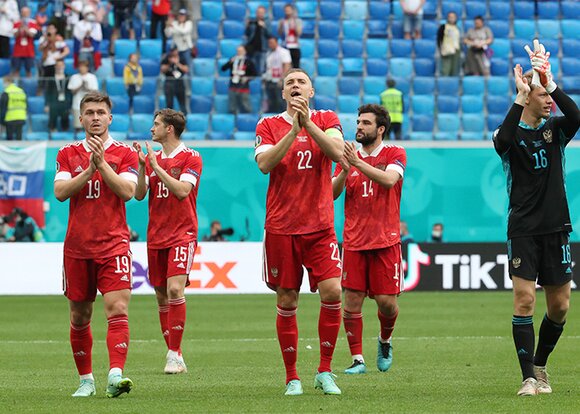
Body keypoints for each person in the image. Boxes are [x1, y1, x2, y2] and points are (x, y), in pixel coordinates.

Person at [492, 44, 580, 396]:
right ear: (527, 97)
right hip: (524, 229)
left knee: (560, 306)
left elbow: (576, 116)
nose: (549, 102)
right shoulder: (507, 133)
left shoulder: (555, 129)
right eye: (543, 95)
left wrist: (549, 80)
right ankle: (528, 377)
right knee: (525, 299)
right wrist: (520, 94)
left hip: (557, 227)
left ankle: (540, 364)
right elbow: (504, 140)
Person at [255, 68, 345, 396]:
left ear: (311, 91)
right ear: (283, 93)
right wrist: (294, 130)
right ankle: (292, 377)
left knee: (333, 292)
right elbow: (265, 164)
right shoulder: (268, 124)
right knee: (287, 298)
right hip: (282, 227)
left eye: (301, 82)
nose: (295, 86)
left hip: (320, 226)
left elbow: (337, 153)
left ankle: (324, 370)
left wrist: (308, 124)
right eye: (289, 83)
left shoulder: (327, 119)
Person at [54, 91, 139, 398]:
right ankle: (86, 380)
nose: (95, 118)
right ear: (81, 118)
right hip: (77, 248)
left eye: (101, 113)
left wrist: (102, 166)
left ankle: (115, 375)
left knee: (118, 308)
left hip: (113, 245)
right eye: (89, 113)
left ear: (110, 118)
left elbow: (127, 192)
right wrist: (89, 170)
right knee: (80, 316)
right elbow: (60, 192)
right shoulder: (67, 153)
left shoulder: (125, 153)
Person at [332, 104, 406, 376]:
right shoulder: (347, 157)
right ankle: (357, 359)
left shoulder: (394, 153)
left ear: (380, 129)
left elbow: (388, 180)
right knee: (351, 301)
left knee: (387, 303)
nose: (359, 127)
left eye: (366, 123)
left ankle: (385, 340)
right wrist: (343, 170)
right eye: (358, 122)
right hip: (354, 242)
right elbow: (330, 194)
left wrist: (356, 163)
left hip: (385, 241)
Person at [133, 108, 202, 375]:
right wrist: (143, 166)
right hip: (156, 235)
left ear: (169, 129)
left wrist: (157, 166)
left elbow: (182, 191)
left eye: (156, 124)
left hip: (182, 234)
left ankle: (173, 354)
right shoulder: (153, 159)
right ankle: (176, 354)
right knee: (161, 295)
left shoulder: (191, 157)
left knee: (175, 290)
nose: (152, 129)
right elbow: (139, 195)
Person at [221, 45, 256, 115]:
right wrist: (230, 62)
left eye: (241, 51)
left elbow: (254, 74)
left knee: (245, 106)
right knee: (232, 106)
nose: (239, 53)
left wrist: (247, 79)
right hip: (233, 86)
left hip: (243, 87)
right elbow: (223, 68)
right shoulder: (233, 60)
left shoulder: (248, 61)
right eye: (238, 51)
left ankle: (247, 119)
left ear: (245, 52)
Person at [68, 59, 99, 135]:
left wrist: (87, 88)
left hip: (90, 105)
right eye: (80, 67)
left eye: (84, 67)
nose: (82, 68)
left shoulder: (92, 77)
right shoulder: (74, 77)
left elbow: (95, 92)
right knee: (78, 126)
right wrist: (80, 86)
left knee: (90, 126)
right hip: (77, 104)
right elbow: (72, 92)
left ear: (87, 68)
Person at [263, 37, 292, 114]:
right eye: (269, 43)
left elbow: (287, 65)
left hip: (279, 80)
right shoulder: (269, 53)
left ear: (276, 42)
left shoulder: (283, 52)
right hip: (270, 79)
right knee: (271, 99)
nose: (270, 44)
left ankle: (283, 114)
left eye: (272, 42)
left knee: (280, 99)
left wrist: (282, 79)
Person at [72, 5, 103, 72]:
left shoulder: (97, 25)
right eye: (88, 13)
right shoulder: (78, 24)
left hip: (93, 50)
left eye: (92, 13)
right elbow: (77, 36)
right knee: (82, 68)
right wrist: (84, 34)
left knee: (92, 69)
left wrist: (91, 34)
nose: (90, 15)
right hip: (82, 50)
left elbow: (99, 38)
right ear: (84, 15)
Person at [11, 6, 39, 78]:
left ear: (29, 13)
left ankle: (29, 84)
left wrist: (25, 28)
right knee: (16, 70)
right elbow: (15, 35)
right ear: (21, 13)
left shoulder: (33, 22)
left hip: (29, 50)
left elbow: (32, 35)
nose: (25, 14)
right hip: (18, 50)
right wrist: (20, 28)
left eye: (26, 12)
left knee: (28, 70)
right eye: (23, 12)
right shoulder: (16, 22)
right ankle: (15, 84)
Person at [45, 59, 71, 132]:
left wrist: (70, 105)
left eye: (61, 65)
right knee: (52, 123)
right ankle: (52, 134)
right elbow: (48, 92)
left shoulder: (68, 77)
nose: (59, 67)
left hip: (65, 103)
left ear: (64, 66)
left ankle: (65, 136)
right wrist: (47, 105)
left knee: (65, 123)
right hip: (54, 103)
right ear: (55, 67)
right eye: (58, 65)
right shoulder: (51, 78)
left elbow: (70, 92)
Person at [161, 47, 188, 114]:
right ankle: (169, 119)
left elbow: (186, 69)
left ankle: (184, 118)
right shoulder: (167, 58)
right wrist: (170, 63)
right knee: (169, 105)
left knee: (182, 105)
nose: (174, 53)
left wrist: (177, 63)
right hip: (169, 82)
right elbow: (162, 70)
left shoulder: (181, 58)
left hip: (179, 82)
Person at [245, 5, 270, 75]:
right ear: (256, 13)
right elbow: (247, 34)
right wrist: (247, 26)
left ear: (264, 13)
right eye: (259, 12)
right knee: (252, 68)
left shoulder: (267, 22)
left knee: (261, 68)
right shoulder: (252, 22)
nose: (260, 14)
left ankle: (260, 80)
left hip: (262, 49)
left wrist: (264, 26)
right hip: (252, 49)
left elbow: (269, 34)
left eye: (262, 13)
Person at [0, 75, 26, 140]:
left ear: (8, 81)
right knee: (19, 138)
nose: (3, 84)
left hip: (10, 118)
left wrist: (1, 121)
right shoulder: (21, 91)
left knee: (10, 140)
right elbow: (26, 105)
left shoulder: (6, 92)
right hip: (21, 117)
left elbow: (3, 109)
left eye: (4, 82)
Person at [277, 4, 302, 69]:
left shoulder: (297, 21)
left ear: (292, 11)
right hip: (285, 46)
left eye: (289, 10)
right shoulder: (281, 21)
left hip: (295, 46)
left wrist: (294, 25)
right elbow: (279, 33)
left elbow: (299, 33)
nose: (287, 12)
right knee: (286, 66)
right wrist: (282, 26)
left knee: (296, 66)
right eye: (286, 10)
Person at [437, 11, 461, 77]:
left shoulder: (457, 28)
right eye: (450, 17)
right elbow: (439, 39)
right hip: (446, 50)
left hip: (456, 50)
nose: (452, 18)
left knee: (454, 70)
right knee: (446, 69)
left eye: (453, 17)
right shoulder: (443, 27)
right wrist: (440, 48)